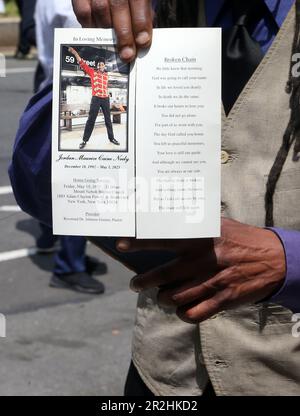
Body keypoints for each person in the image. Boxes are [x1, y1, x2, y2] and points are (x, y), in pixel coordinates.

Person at [9, 0, 300, 396]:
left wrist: (289, 260)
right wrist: (102, 41)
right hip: (165, 375)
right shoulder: (160, 9)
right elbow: (39, 185)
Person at [33, 0, 107, 295]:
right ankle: (68, 266)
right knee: (81, 182)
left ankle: (58, 244)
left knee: (64, 177)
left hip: (57, 84)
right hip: (71, 91)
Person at [68, 47, 120, 149]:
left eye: (102, 64)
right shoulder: (92, 72)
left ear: (104, 65)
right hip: (96, 99)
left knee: (108, 120)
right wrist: (75, 53)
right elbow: (82, 63)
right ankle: (84, 140)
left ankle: (111, 138)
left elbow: (105, 86)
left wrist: (108, 95)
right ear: (97, 65)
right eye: (99, 64)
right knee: (91, 120)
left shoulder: (106, 75)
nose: (101, 66)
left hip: (105, 99)